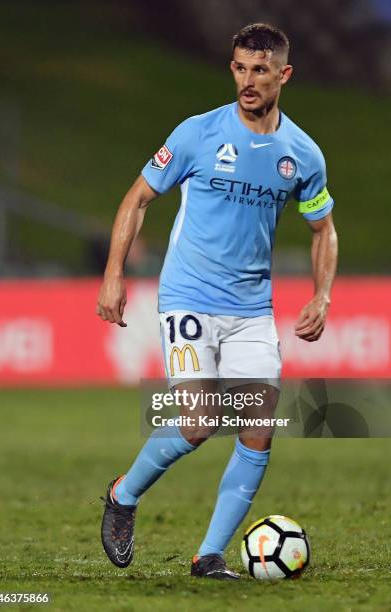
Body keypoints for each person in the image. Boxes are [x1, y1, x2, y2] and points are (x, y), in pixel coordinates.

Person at [96, 23, 338, 580]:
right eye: (239, 68)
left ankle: (209, 556)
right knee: (201, 419)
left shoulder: (302, 154)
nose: (246, 81)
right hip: (188, 298)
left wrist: (322, 294)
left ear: (284, 74)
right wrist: (114, 274)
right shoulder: (197, 133)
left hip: (252, 309)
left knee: (257, 428)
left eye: (259, 70)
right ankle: (124, 494)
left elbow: (324, 229)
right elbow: (137, 200)